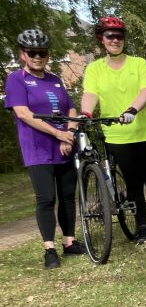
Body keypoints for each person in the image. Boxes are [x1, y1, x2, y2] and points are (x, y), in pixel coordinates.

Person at [81, 16, 146, 243]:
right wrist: (86, 114)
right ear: (101, 39)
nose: (115, 40)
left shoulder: (139, 63)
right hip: (118, 136)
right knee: (133, 182)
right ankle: (141, 226)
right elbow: (90, 94)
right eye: (110, 36)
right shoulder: (94, 69)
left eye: (119, 36)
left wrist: (132, 110)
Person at [4, 29, 84, 269]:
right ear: (23, 55)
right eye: (32, 53)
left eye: (42, 53)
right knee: (46, 198)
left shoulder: (55, 80)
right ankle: (49, 249)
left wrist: (69, 134)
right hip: (38, 149)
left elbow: (70, 109)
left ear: (48, 55)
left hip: (65, 145)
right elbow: (23, 113)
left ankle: (69, 242)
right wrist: (58, 133)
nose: (38, 57)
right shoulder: (16, 79)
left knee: (68, 196)